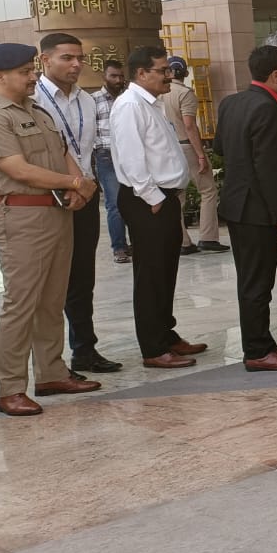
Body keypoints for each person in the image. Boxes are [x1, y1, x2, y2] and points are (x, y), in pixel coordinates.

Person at [0, 42, 101, 416]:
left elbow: (61, 152)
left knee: (51, 300)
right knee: (21, 304)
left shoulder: (35, 110)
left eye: (31, 70)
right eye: (25, 72)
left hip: (56, 214)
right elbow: (19, 169)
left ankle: (51, 373)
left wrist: (77, 183)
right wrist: (75, 184)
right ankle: (9, 388)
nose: (32, 77)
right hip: (21, 219)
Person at [109, 45, 208, 369]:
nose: (169, 75)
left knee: (166, 271)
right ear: (142, 73)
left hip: (162, 198)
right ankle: (153, 348)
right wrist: (152, 198)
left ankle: (166, 335)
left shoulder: (151, 104)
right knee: (151, 275)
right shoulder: (129, 106)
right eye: (162, 70)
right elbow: (131, 156)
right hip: (147, 200)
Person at [34, 33, 120, 374]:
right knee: (52, 281)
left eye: (80, 58)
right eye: (67, 58)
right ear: (45, 60)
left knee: (82, 278)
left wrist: (87, 187)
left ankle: (84, 349)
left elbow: (87, 150)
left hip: (84, 195)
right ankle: (49, 363)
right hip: (47, 200)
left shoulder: (86, 100)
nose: (76, 65)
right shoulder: (34, 99)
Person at [216, 46, 277, 373]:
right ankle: (256, 351)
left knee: (254, 281)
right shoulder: (266, 108)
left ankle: (263, 341)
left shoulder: (231, 103)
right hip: (258, 212)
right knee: (256, 285)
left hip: (239, 205)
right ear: (276, 75)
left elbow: (221, 148)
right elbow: (269, 168)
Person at [160, 56, 225, 255]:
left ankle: (183, 241)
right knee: (207, 190)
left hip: (168, 147)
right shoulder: (185, 93)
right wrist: (201, 154)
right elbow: (189, 125)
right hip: (186, 146)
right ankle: (208, 237)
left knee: (177, 196)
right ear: (185, 73)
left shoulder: (159, 94)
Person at [91, 59, 130, 263]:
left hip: (129, 153)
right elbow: (90, 131)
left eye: (121, 76)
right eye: (113, 76)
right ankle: (119, 247)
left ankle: (136, 243)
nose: (118, 80)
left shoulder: (127, 99)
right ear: (104, 77)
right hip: (106, 154)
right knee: (114, 203)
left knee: (133, 199)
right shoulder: (94, 100)